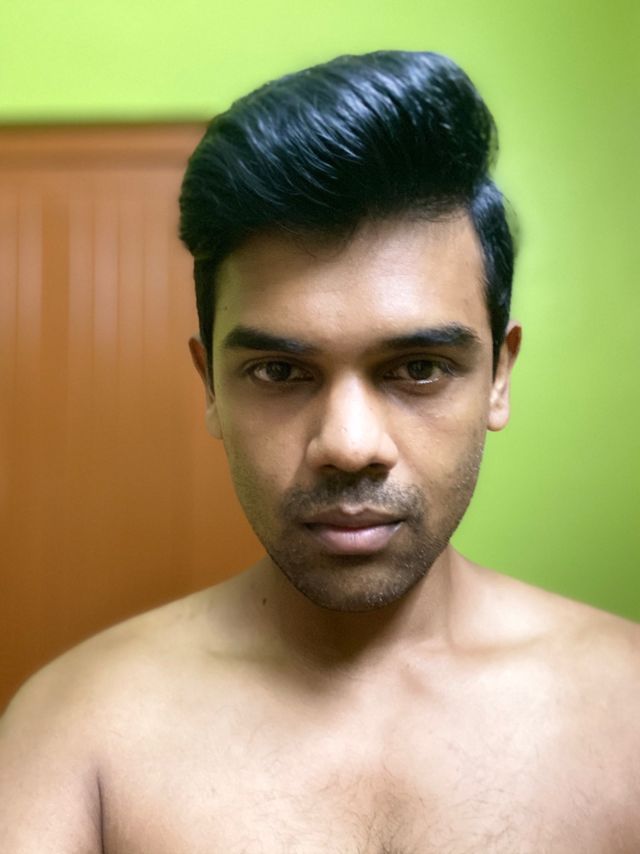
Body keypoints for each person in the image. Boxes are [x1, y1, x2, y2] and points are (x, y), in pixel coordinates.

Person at [0, 50, 638, 853]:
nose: (348, 445)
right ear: (210, 386)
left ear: (498, 377)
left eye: (418, 368)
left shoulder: (628, 710)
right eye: (280, 371)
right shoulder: (78, 736)